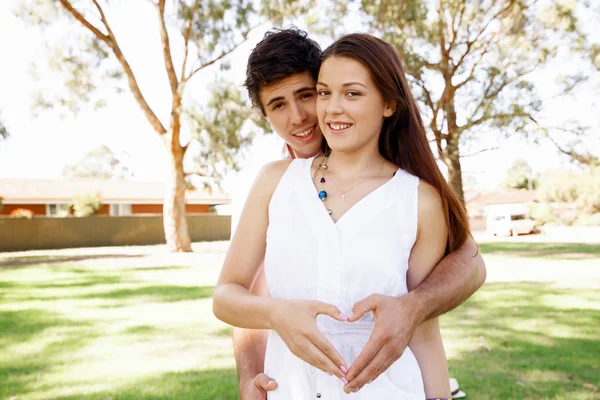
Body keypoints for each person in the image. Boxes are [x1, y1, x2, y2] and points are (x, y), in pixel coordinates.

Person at [214, 32, 481, 399]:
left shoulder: (416, 197)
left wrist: (413, 310)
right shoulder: (272, 181)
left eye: (308, 94)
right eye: (277, 105)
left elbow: (456, 280)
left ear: (387, 104)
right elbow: (236, 293)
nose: (302, 116)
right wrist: (252, 369)